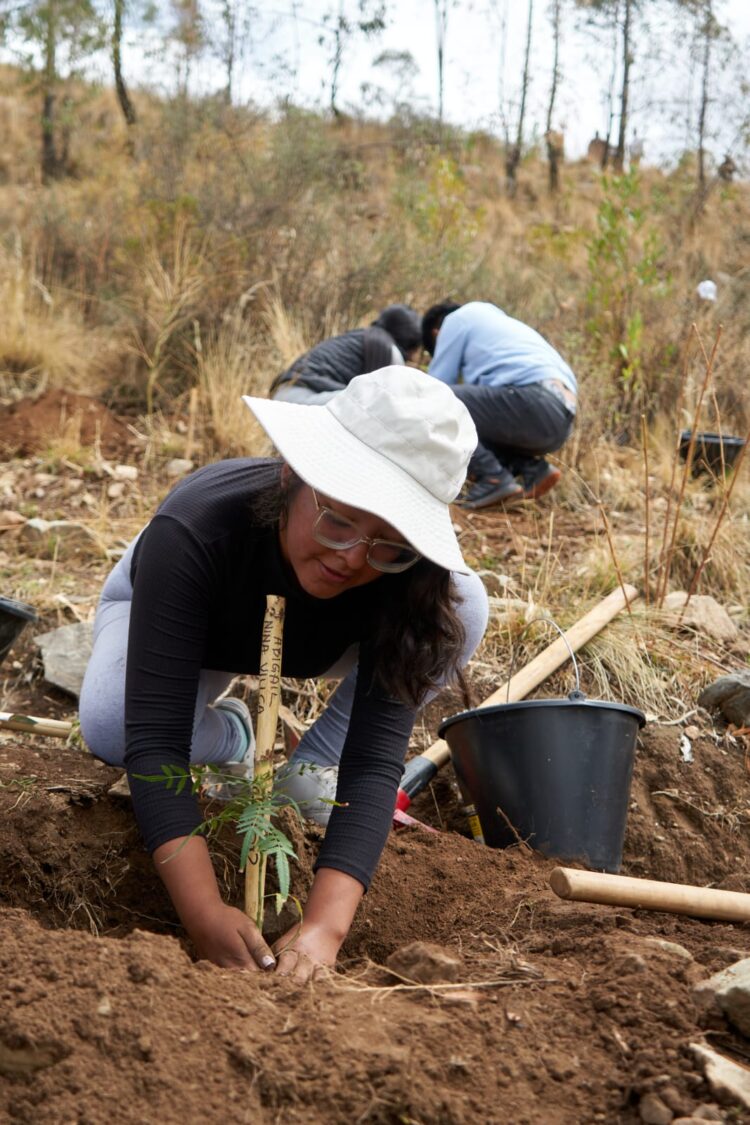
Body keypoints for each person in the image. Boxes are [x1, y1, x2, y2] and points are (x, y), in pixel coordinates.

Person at [79, 367, 489, 982]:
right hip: (194, 627)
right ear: (296, 476)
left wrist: (326, 927)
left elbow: (376, 762)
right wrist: (203, 914)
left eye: (389, 544)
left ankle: (307, 765)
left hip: (321, 644)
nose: (351, 558)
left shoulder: (406, 579)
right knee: (114, 724)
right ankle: (237, 737)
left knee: (466, 605)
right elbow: (156, 742)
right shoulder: (195, 529)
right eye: (339, 521)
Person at [422, 301, 578, 510]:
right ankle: (532, 469)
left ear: (436, 334)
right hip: (561, 418)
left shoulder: (456, 320)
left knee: (441, 401)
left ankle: (493, 477)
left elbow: (432, 390)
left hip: (534, 400)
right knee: (475, 419)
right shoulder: (497, 324)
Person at [269, 304, 422, 404]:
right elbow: (391, 404)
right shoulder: (389, 350)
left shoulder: (361, 335)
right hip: (304, 400)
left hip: (283, 395)